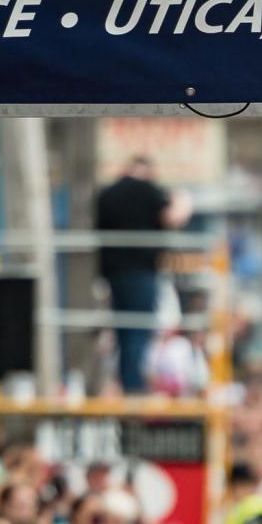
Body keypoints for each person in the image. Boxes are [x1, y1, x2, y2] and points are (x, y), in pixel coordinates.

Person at [95, 156, 193, 394]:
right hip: (141, 271)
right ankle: (132, 385)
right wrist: (184, 199)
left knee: (123, 330)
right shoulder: (149, 190)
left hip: (114, 273)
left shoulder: (108, 194)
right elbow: (173, 217)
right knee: (138, 330)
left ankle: (126, 381)